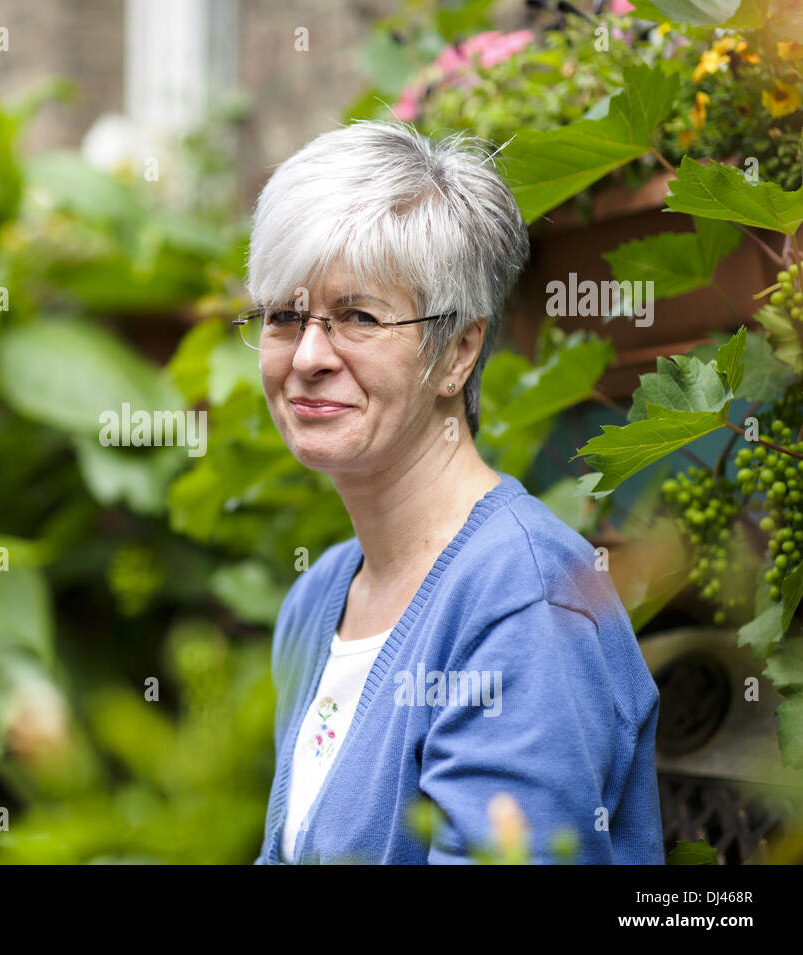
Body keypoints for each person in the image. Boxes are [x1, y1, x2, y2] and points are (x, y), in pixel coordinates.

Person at [242, 120, 664, 864]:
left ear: (458, 351)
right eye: (284, 315)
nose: (307, 356)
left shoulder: (527, 603)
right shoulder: (315, 603)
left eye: (358, 317)